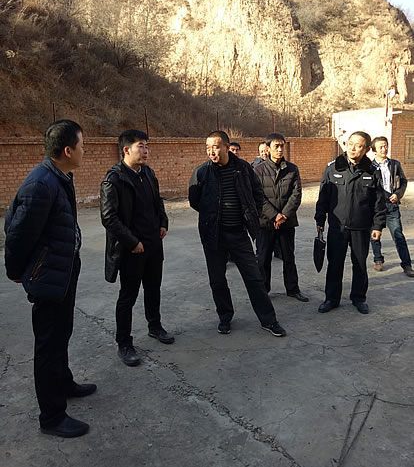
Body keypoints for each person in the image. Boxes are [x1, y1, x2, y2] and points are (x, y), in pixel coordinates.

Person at [4, 120, 95, 438]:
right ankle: (52, 416)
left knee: (61, 334)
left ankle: (64, 383)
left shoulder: (60, 177)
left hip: (63, 270)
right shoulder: (41, 184)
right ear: (68, 150)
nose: (85, 150)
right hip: (48, 276)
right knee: (48, 344)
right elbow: (16, 232)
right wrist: (17, 271)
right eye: (82, 145)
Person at [189, 130, 286, 336]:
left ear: (226, 147)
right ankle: (225, 317)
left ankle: (269, 320)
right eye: (207, 148)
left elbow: (257, 194)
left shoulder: (243, 169)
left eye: (215, 147)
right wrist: (212, 216)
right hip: (213, 236)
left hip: (239, 235)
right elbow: (195, 201)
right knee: (217, 280)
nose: (211, 152)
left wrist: (251, 215)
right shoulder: (202, 173)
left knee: (254, 278)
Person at [100, 129, 174, 368]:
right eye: (141, 146)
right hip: (132, 249)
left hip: (153, 244)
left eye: (147, 146)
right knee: (128, 297)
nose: (145, 151)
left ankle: (155, 326)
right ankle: (124, 343)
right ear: (126, 150)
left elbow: (157, 201)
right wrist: (133, 242)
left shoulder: (148, 173)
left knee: (153, 289)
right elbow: (109, 218)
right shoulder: (114, 179)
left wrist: (163, 223)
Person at [315, 131, 386, 315]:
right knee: (335, 264)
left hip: (361, 227)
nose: (353, 148)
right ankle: (331, 299)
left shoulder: (372, 172)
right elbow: (323, 197)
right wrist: (320, 219)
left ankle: (359, 298)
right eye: (350, 143)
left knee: (360, 264)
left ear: (367, 149)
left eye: (359, 145)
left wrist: (378, 225)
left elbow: (379, 202)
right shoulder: (333, 169)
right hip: (337, 227)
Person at [254, 133, 309, 302]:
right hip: (265, 223)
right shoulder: (258, 170)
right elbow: (258, 197)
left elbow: (296, 194)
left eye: (281, 146)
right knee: (263, 259)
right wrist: (274, 215)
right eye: (276, 146)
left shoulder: (292, 169)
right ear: (268, 148)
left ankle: (293, 289)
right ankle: (263, 291)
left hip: (287, 222)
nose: (279, 149)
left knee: (288, 257)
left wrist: (284, 215)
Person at [370, 136, 414, 276]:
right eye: (381, 147)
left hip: (392, 206)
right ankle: (378, 259)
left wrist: (398, 194)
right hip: (376, 207)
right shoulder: (369, 167)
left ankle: (406, 265)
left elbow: (403, 181)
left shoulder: (395, 164)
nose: (384, 149)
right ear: (374, 150)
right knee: (375, 235)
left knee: (398, 235)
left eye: (385, 146)